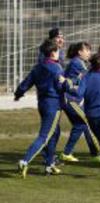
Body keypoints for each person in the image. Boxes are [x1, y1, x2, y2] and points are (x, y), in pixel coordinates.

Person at [16, 39, 72, 178]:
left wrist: (18, 93)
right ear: (53, 53)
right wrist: (69, 83)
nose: (59, 53)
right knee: (45, 136)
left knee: (55, 133)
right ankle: (25, 160)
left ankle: (49, 164)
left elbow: (26, 82)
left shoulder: (38, 67)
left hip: (42, 103)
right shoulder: (56, 68)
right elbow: (62, 86)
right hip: (53, 104)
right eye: (58, 51)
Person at [59, 42, 100, 163]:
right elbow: (88, 76)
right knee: (84, 122)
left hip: (73, 98)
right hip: (70, 99)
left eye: (90, 50)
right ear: (80, 52)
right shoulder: (77, 63)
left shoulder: (79, 62)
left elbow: (79, 80)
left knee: (81, 125)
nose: (89, 53)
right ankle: (68, 152)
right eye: (87, 50)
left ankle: (94, 153)